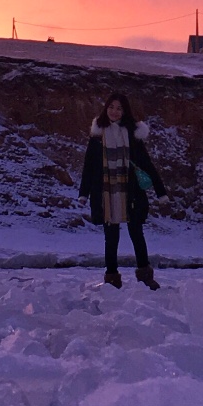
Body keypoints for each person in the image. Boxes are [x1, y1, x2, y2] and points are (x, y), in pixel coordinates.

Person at [78, 92, 165, 289]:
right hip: (106, 192)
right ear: (105, 108)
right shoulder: (97, 136)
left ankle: (145, 275)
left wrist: (161, 191)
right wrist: (84, 193)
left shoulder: (133, 135)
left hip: (130, 191)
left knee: (136, 232)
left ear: (124, 111)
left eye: (119, 108)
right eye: (111, 107)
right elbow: (89, 166)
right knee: (111, 235)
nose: (114, 111)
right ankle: (111, 278)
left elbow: (146, 164)